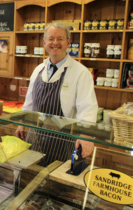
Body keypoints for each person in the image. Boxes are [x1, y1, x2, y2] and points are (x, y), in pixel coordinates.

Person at [15, 22, 98, 166]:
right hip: (35, 137)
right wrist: (21, 123)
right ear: (44, 42)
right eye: (51, 39)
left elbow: (87, 108)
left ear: (68, 42)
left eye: (60, 39)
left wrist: (86, 135)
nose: (55, 43)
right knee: (29, 177)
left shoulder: (81, 72)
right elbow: (29, 102)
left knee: (56, 184)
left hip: (63, 141)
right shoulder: (38, 70)